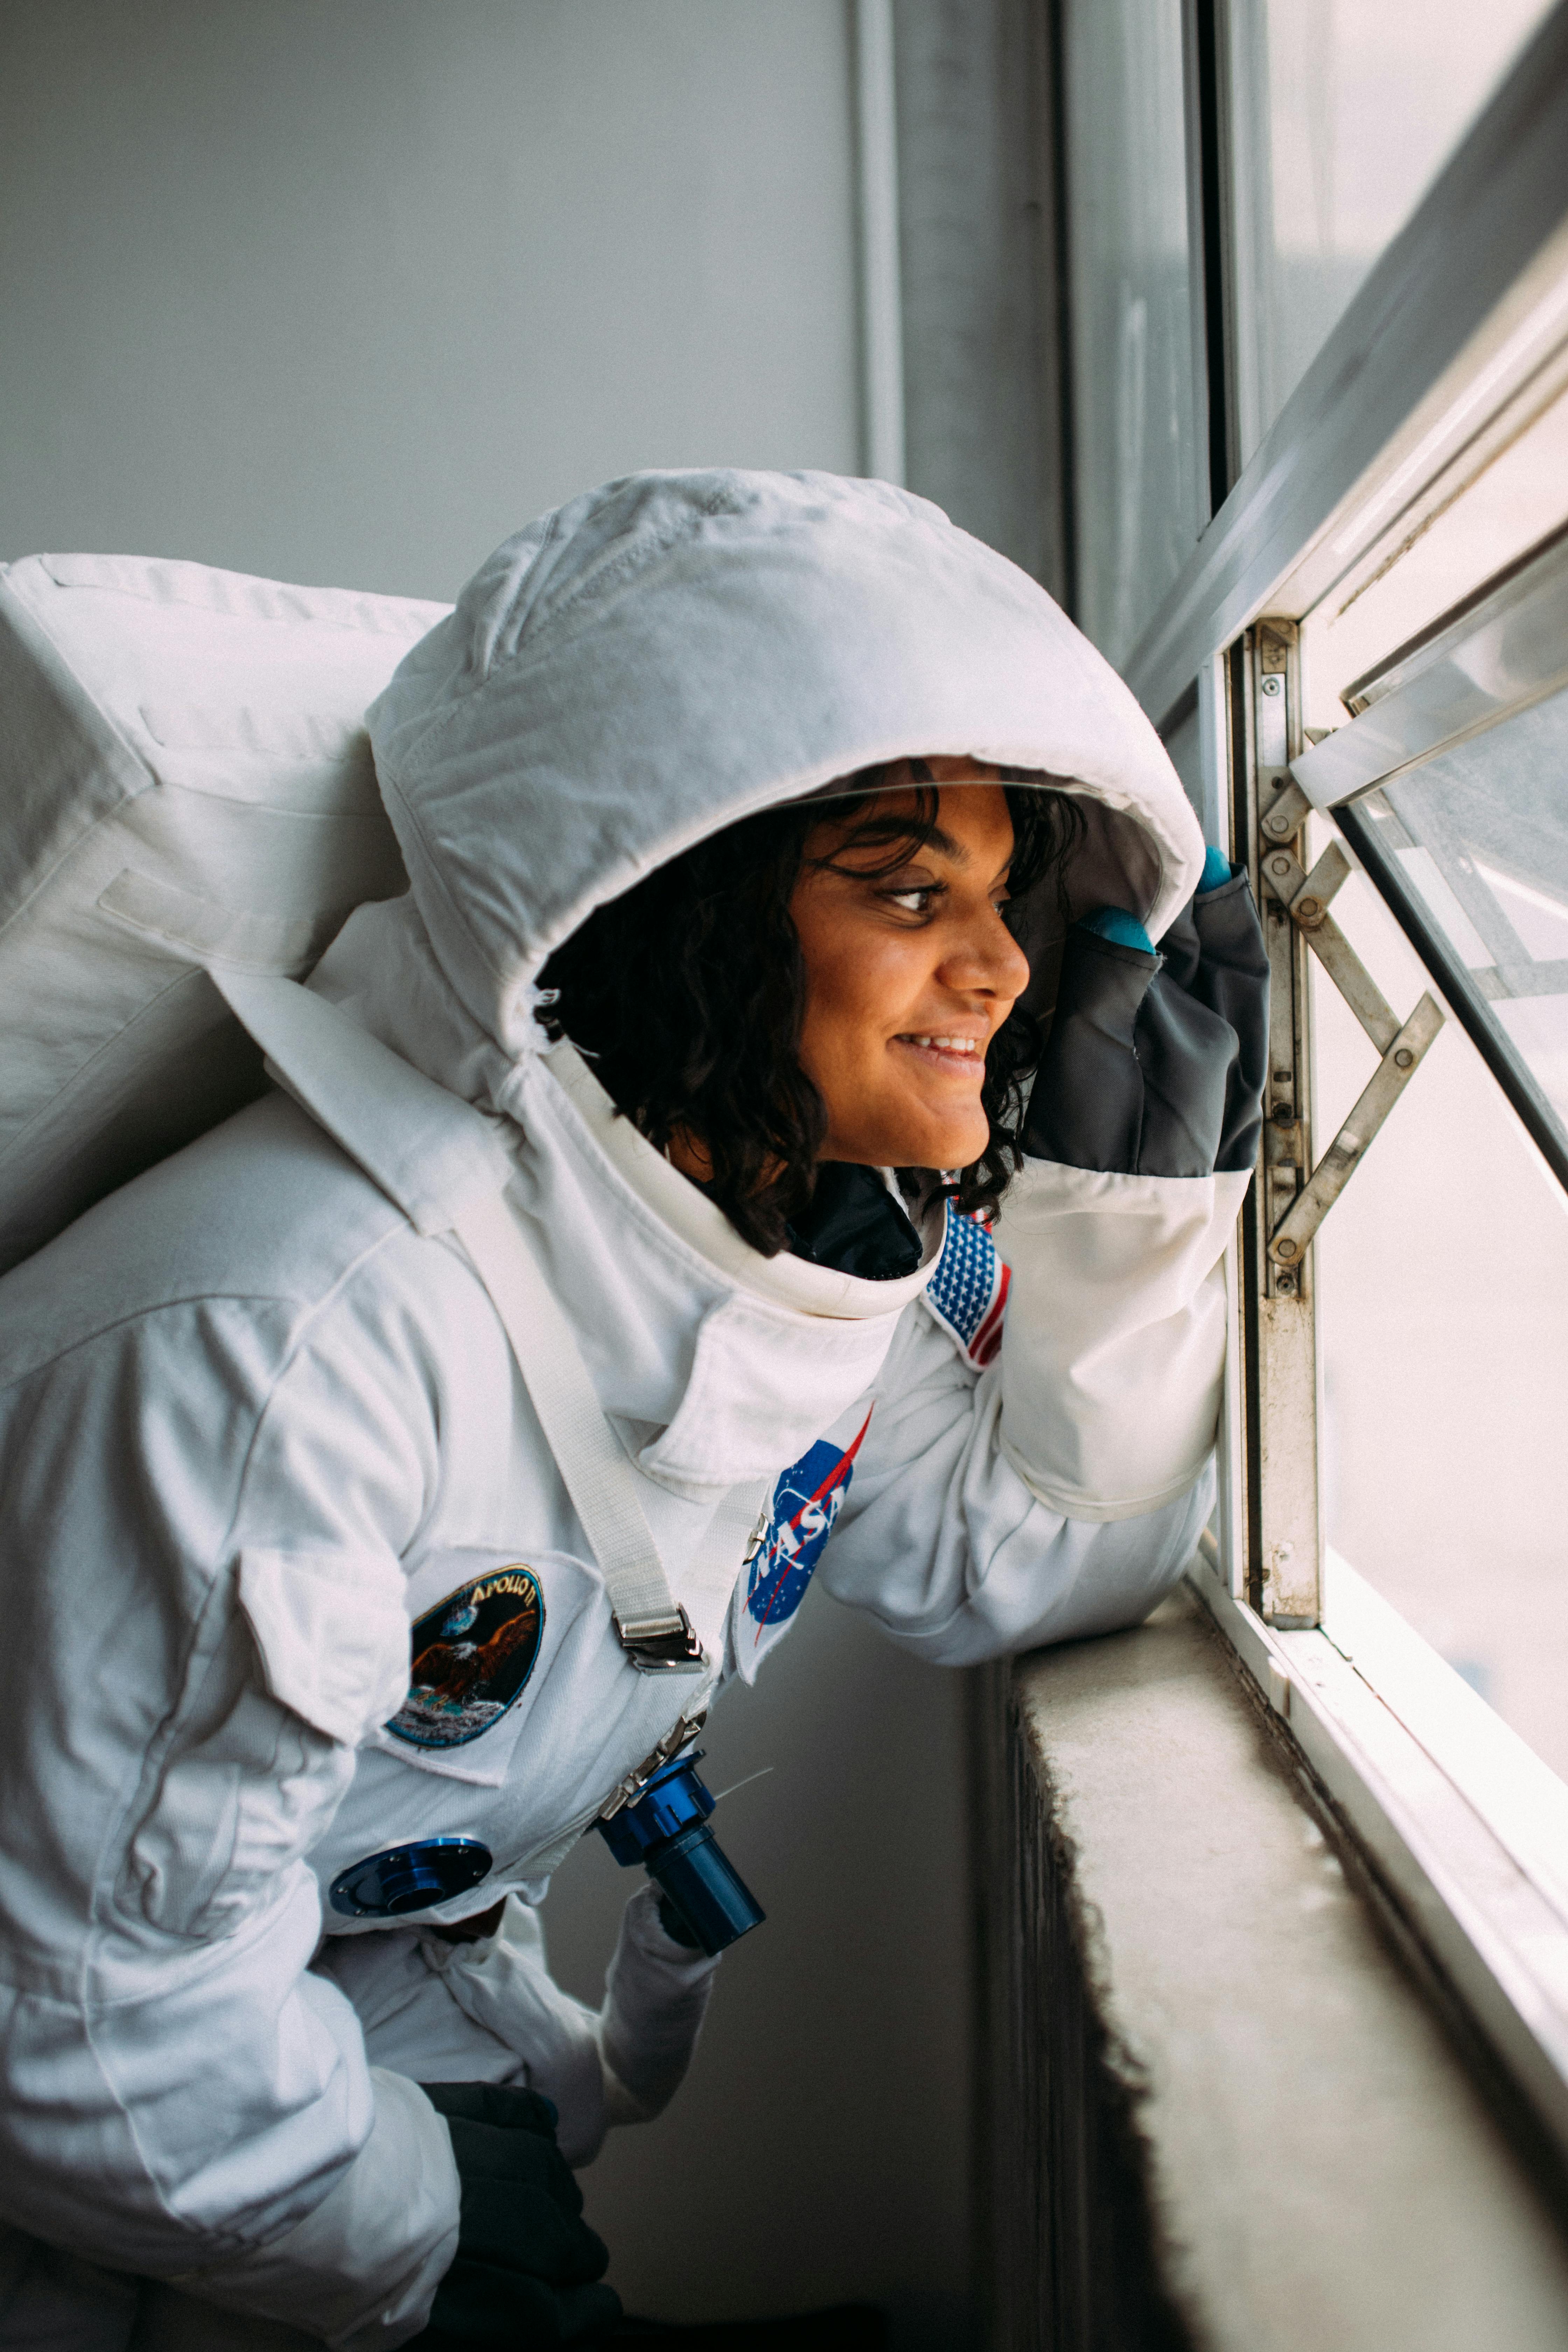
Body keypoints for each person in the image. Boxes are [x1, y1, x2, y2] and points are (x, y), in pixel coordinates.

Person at [0, 470, 1266, 2349]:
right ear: (679, 903)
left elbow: (1012, 1568)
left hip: (311, 2072)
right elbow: (84, 2016)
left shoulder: (765, 1242)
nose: (1005, 967)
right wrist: (402, 2220)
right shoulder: (294, 1342)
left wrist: (1127, 1222)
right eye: (911, 891)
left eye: (1008, 897)